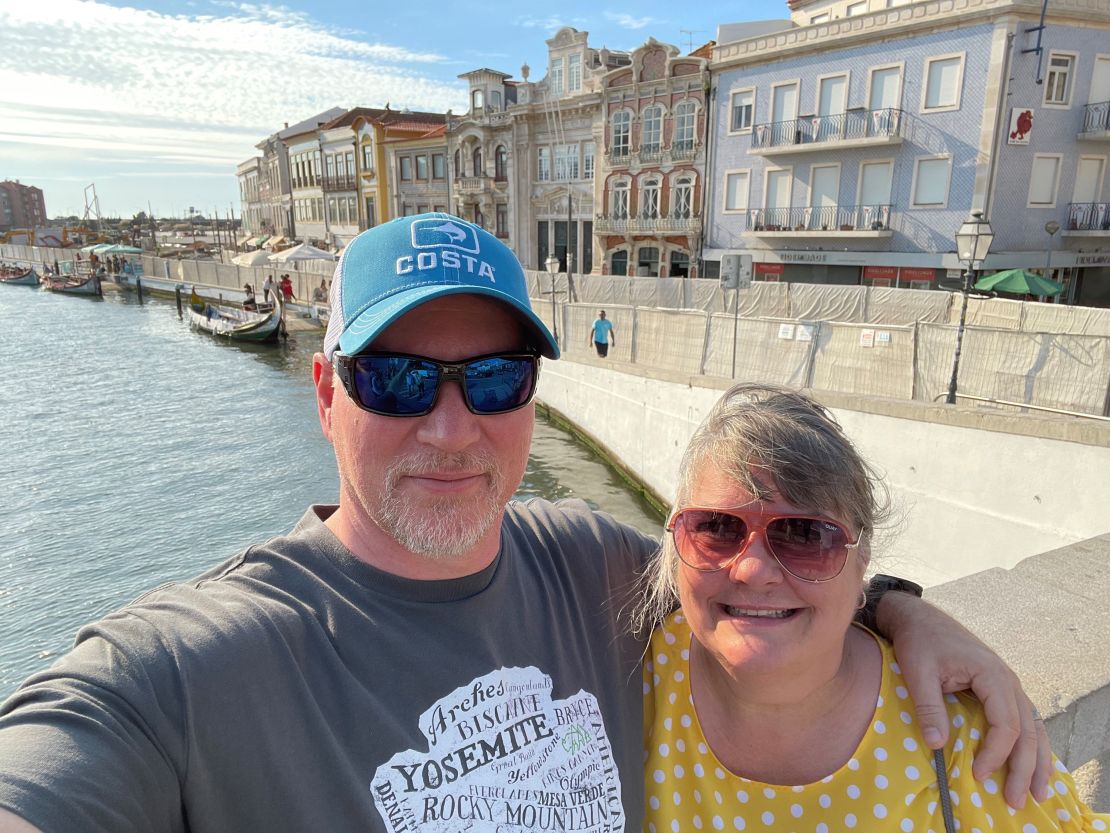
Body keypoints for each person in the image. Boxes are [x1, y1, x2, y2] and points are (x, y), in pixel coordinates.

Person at [0, 214, 1048, 833]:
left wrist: (899, 608)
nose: (451, 426)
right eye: (398, 378)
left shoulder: (581, 558)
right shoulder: (195, 664)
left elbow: (751, 579)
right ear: (325, 393)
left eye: (494, 377)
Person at [637, 384, 1104, 833]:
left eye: (805, 535)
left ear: (862, 561)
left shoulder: (963, 735)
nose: (753, 570)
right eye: (716, 527)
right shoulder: (624, 673)